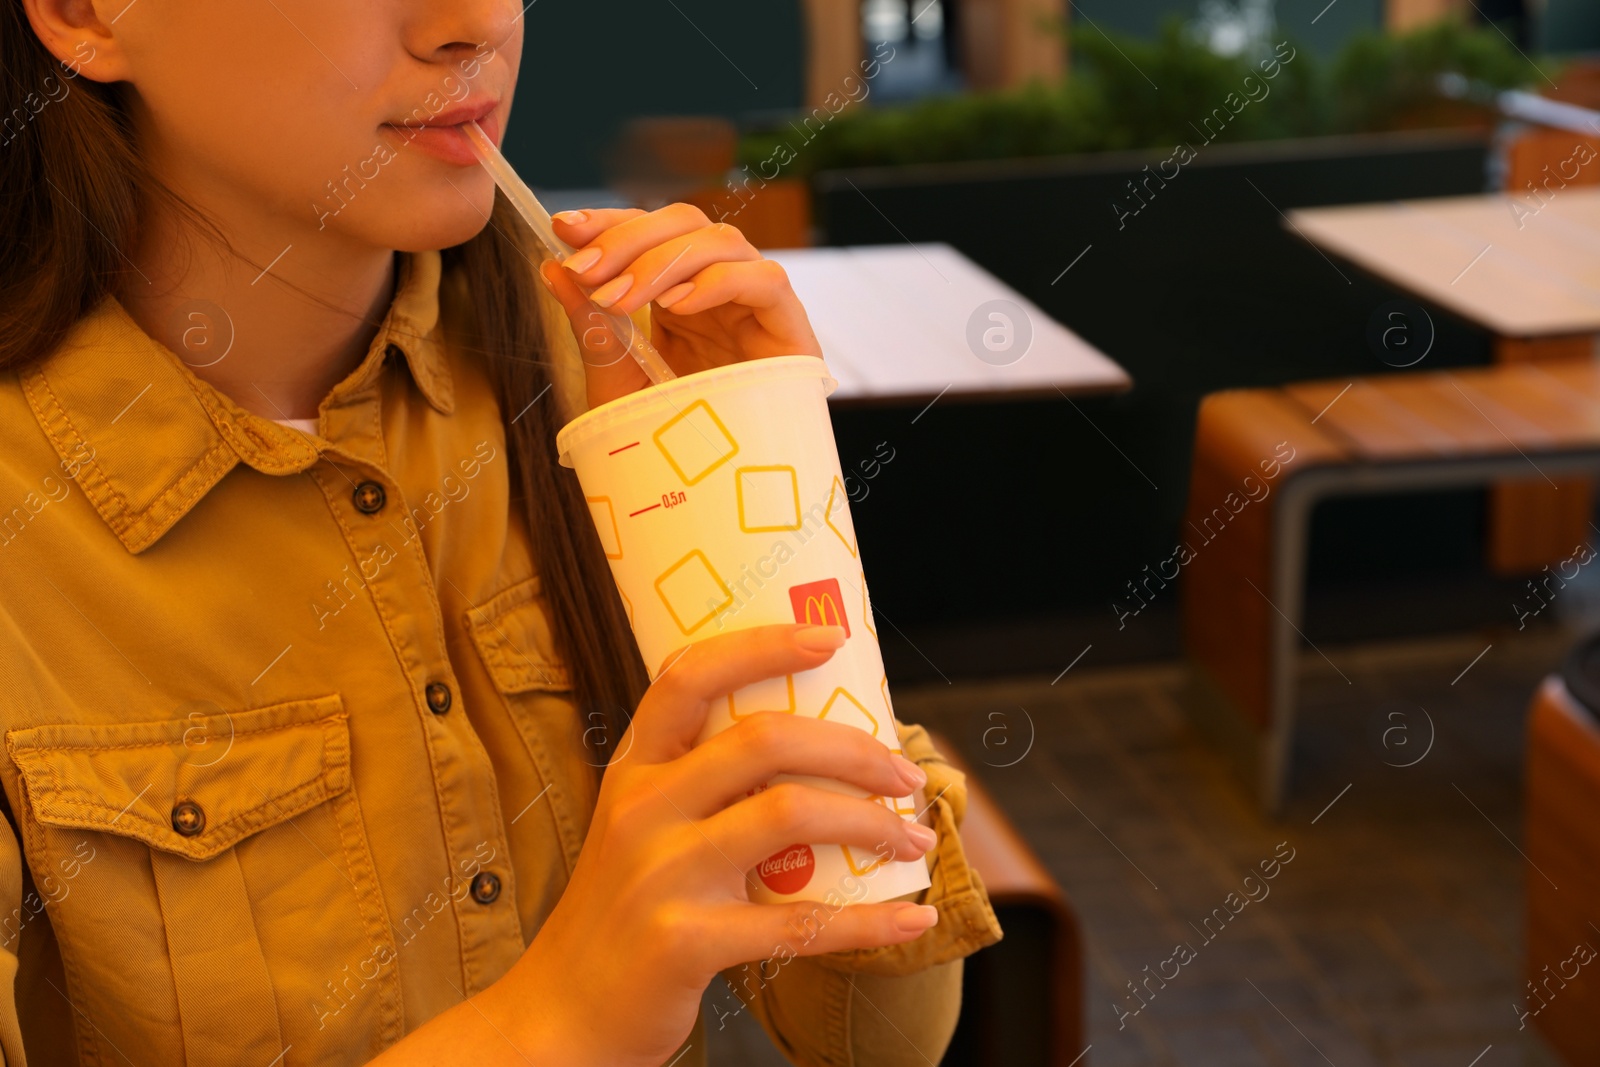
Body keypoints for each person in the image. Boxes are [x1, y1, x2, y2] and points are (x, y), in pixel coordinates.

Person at [0, 1, 1003, 1064]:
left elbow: (869, 1037)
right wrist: (561, 1015)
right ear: (83, 15)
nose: (476, 22)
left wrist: (769, 510)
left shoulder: (596, 390)